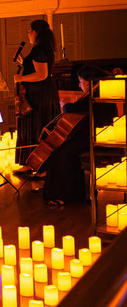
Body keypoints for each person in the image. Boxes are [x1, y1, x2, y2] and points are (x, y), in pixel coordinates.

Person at [42, 66, 117, 205]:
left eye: (81, 81)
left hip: (96, 137)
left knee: (61, 152)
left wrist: (64, 105)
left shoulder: (96, 94)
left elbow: (73, 108)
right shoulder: (98, 92)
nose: (79, 85)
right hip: (92, 134)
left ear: (89, 82)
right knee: (62, 149)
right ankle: (74, 193)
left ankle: (63, 195)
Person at [14, 19, 60, 171]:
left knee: (37, 127)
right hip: (43, 93)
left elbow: (41, 75)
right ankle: (33, 163)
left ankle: (39, 165)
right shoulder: (45, 49)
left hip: (39, 96)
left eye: (29, 31)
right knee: (37, 126)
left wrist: (21, 78)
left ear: (35, 32)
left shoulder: (38, 49)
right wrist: (24, 62)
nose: (28, 34)